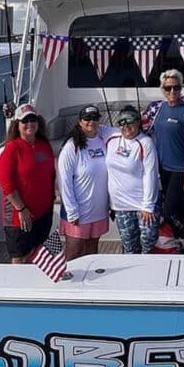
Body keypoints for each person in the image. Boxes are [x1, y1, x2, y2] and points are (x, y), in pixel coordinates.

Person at [148, 69, 184, 250]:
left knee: (168, 212)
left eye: (176, 88)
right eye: (168, 88)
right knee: (178, 210)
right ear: (162, 89)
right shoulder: (159, 109)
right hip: (163, 169)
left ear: (181, 88)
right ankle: (180, 245)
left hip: (181, 170)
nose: (172, 92)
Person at [0, 103, 56, 264]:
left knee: (38, 252)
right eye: (25, 121)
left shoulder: (44, 145)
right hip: (20, 215)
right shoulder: (12, 149)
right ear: (17, 124)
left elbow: (50, 174)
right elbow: (6, 183)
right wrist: (21, 209)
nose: (30, 123)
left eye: (33, 119)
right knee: (20, 256)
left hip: (43, 212)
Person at [58, 104, 114, 260]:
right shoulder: (71, 146)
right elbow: (64, 181)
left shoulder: (103, 138)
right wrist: (71, 210)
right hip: (78, 211)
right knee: (73, 254)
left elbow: (121, 131)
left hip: (98, 210)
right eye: (87, 118)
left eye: (95, 118)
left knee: (92, 252)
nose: (91, 122)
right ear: (79, 122)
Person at [105, 106, 159, 254]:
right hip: (121, 206)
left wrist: (148, 206)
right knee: (129, 248)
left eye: (130, 121)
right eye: (121, 122)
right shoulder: (111, 137)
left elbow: (150, 174)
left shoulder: (145, 142)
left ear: (138, 122)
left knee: (149, 243)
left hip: (143, 205)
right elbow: (90, 127)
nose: (126, 126)